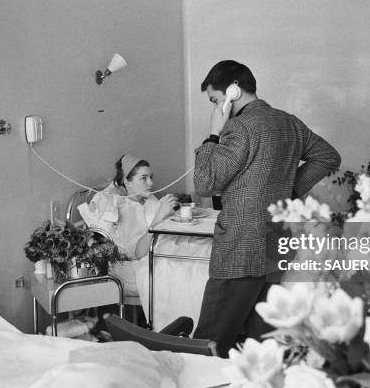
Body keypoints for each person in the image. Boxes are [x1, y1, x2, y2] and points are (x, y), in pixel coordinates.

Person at [192, 60, 341, 357]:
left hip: (240, 247)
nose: (215, 108)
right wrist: (289, 192)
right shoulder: (289, 122)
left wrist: (212, 134)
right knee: (258, 345)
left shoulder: (238, 127)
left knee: (208, 342)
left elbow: (205, 183)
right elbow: (328, 156)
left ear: (233, 91)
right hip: (275, 247)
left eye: (215, 100)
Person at [78, 154, 177, 295]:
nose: (151, 183)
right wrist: (160, 215)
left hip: (163, 251)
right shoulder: (121, 208)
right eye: (143, 178)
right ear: (127, 181)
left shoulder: (147, 199)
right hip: (134, 266)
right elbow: (138, 252)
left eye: (150, 177)